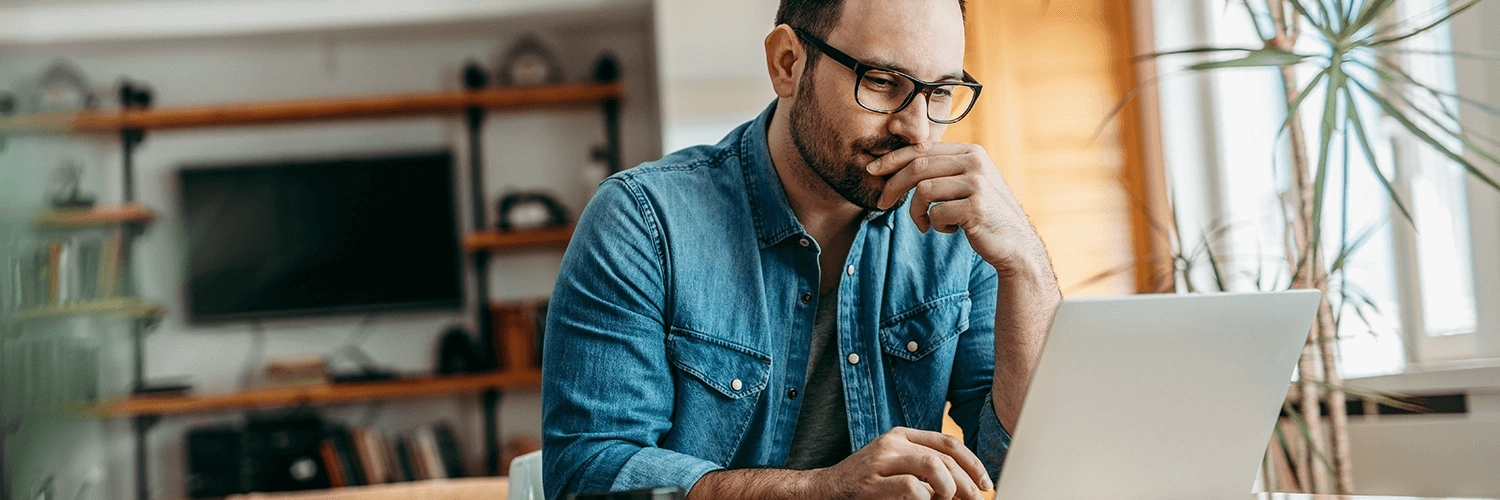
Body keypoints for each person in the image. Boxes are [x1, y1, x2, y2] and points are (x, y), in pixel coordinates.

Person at [542, 0, 1060, 498]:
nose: (918, 130)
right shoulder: (642, 222)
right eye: (881, 82)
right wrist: (823, 491)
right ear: (787, 63)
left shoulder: (959, 233)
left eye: (941, 93)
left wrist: (1027, 265)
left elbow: (1023, 464)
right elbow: (589, 473)